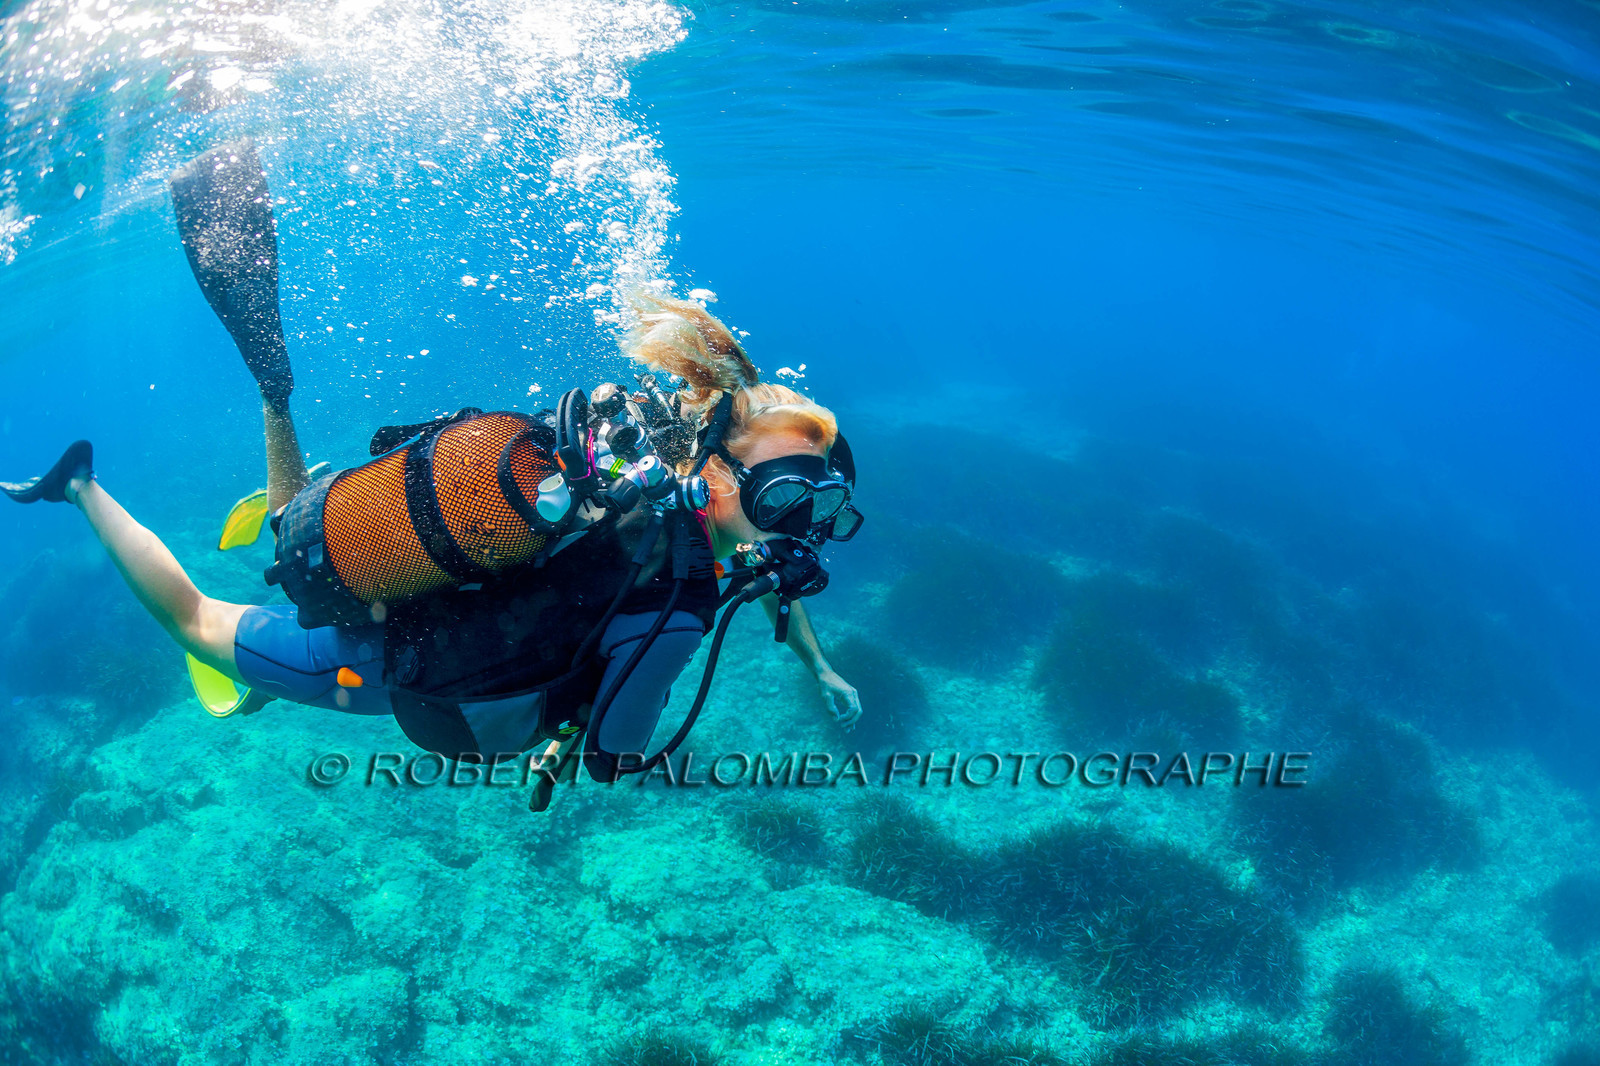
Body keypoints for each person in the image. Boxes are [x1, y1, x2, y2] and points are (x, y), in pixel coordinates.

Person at [1, 140, 862, 808]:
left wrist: (816, 665)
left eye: (815, 500)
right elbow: (617, 755)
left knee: (297, 534)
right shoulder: (683, 595)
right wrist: (589, 734)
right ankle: (77, 485)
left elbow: (763, 571)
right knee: (199, 620)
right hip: (390, 667)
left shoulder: (634, 466)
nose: (799, 520)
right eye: (784, 492)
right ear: (715, 476)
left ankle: (305, 506)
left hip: (424, 586)